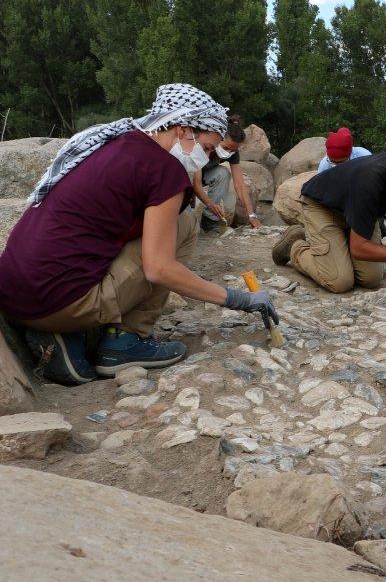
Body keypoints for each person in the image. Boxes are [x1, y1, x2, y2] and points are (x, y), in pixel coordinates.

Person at [0, 83, 278, 386]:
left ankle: (71, 332)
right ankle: (126, 340)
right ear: (183, 129)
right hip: (57, 304)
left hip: (15, 296)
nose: (207, 158)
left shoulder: (118, 142)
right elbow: (159, 270)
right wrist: (239, 300)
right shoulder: (165, 171)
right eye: (208, 148)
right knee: (183, 224)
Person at [271, 141, 386, 291]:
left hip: (360, 212)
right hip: (324, 208)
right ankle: (295, 246)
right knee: (339, 281)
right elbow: (359, 249)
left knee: (372, 279)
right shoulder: (369, 181)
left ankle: (338, 244)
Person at [193, 114, 263, 230]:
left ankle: (209, 222)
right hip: (189, 175)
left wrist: (251, 215)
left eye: (233, 150)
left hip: (205, 175)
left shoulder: (233, 152)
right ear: (219, 138)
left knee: (223, 173)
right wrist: (211, 204)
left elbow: (240, 185)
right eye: (226, 148)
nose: (229, 152)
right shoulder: (202, 146)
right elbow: (196, 184)